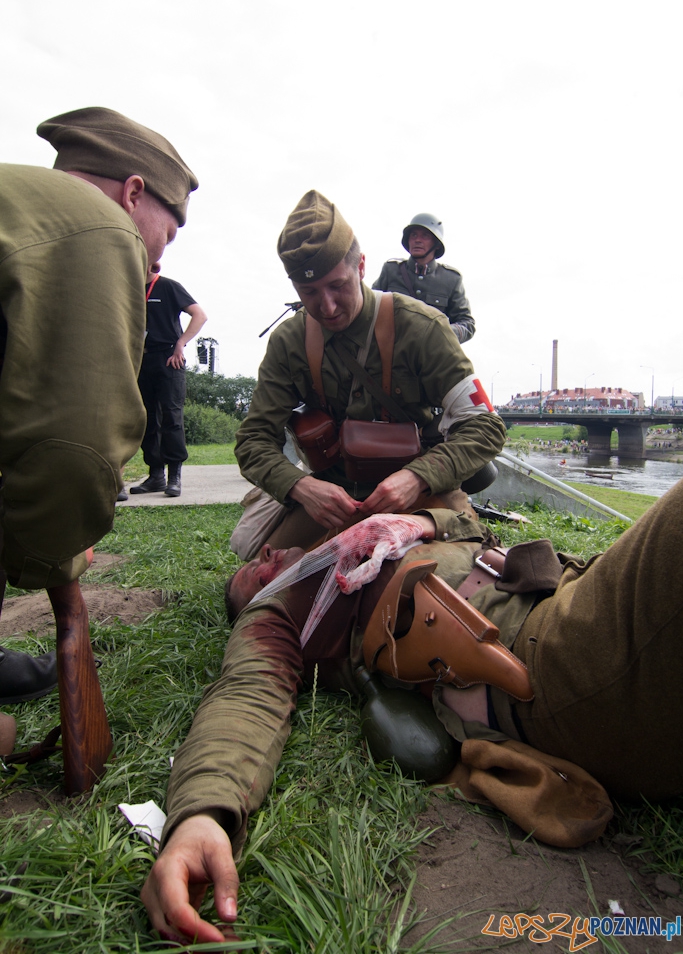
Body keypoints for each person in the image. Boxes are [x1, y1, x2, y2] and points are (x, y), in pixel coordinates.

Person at [141, 477, 683, 942]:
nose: (267, 557)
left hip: (568, 597)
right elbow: (245, 697)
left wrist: (417, 523)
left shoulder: (358, 541)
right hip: (558, 659)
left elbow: (471, 526)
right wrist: (203, 815)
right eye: (251, 578)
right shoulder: (277, 615)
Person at [0, 106, 197, 750]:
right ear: (133, 193)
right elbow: (75, 450)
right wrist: (54, 549)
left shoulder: (22, 198)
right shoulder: (101, 226)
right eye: (163, 239)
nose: (156, 262)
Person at [231, 191, 505, 558]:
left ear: (361, 266)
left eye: (337, 285)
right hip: (330, 498)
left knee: (452, 586)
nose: (326, 306)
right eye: (308, 291)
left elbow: (485, 426)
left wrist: (417, 477)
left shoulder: (423, 328)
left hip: (420, 491)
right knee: (265, 588)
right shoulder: (289, 342)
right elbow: (253, 440)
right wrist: (300, 487)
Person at [127, 264, 207, 499]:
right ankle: (156, 475)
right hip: (141, 359)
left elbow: (200, 315)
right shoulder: (130, 288)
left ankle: (174, 476)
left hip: (168, 358)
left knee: (171, 417)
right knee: (148, 418)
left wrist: (180, 344)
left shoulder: (168, 286)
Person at [373, 213, 475, 343]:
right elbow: (370, 307)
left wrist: (440, 333)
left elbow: (467, 324)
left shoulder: (451, 279)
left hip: (431, 356)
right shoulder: (391, 270)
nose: (417, 240)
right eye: (413, 235)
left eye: (425, 236)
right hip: (390, 350)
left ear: (436, 244)